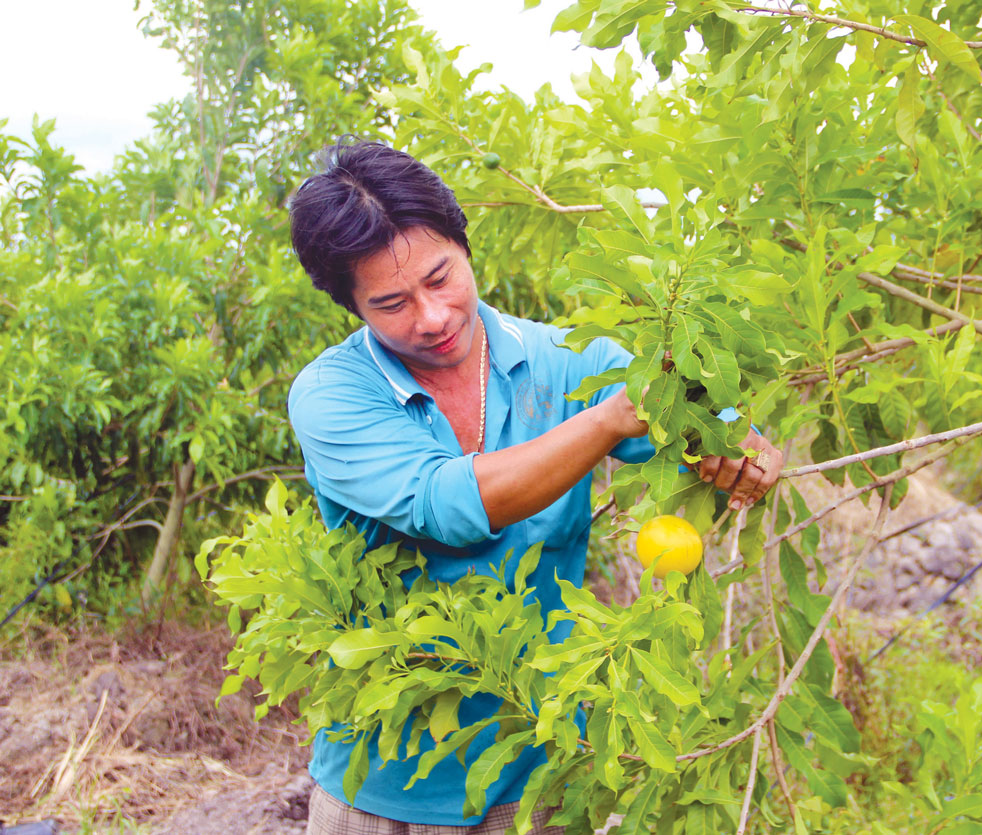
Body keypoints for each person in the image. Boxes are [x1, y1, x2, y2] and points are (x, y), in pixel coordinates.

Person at [286, 140, 783, 834]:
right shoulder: (331, 396)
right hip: (384, 788)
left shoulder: (564, 359)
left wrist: (734, 439)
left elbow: (684, 407)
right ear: (352, 306)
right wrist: (608, 419)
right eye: (392, 302)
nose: (431, 317)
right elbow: (447, 505)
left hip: (545, 775)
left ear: (465, 246)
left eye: (440, 278)